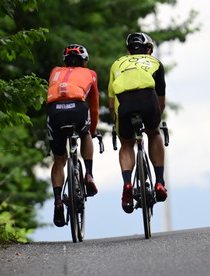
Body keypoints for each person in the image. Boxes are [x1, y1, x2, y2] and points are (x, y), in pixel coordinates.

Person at [108, 32, 167, 214]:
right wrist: (154, 122)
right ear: (148, 50)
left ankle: (127, 184)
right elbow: (161, 100)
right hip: (148, 101)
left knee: (126, 144)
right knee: (154, 133)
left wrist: (117, 123)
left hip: (124, 104)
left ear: (128, 51)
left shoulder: (117, 63)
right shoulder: (155, 62)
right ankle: (159, 182)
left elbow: (111, 104)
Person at [46, 44, 100, 228]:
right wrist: (93, 130)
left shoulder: (54, 71)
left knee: (59, 159)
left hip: (55, 111)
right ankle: (89, 175)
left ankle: (58, 200)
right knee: (85, 134)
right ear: (84, 61)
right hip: (78, 108)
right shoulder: (90, 73)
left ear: (65, 61)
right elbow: (94, 106)